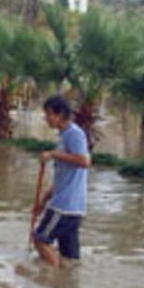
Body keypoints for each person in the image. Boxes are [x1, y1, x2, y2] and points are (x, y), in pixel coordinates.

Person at [33, 96, 91, 268]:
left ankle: (53, 279)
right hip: (71, 206)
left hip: (64, 207)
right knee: (70, 258)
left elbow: (84, 161)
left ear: (59, 115)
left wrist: (53, 155)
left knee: (40, 240)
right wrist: (44, 200)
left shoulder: (74, 133)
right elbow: (64, 177)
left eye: (48, 114)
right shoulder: (64, 135)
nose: (46, 119)